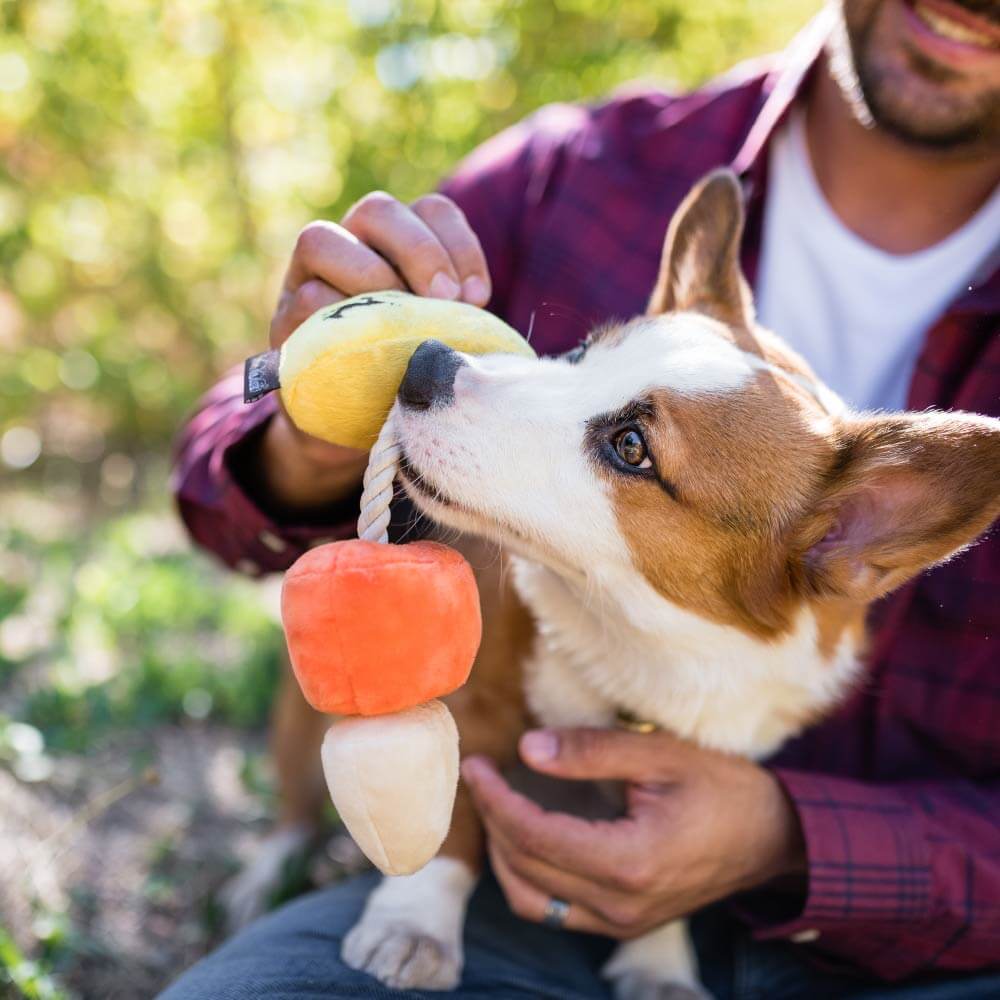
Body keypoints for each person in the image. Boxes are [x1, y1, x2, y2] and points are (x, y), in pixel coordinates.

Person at [165, 1, 1000, 996]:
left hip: (928, 952)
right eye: (585, 358)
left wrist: (786, 839)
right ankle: (299, 829)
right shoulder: (582, 167)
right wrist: (305, 419)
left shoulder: (849, 502)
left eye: (632, 444)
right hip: (505, 896)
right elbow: (218, 463)